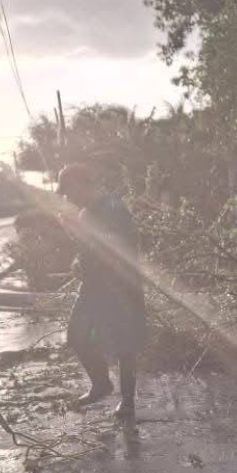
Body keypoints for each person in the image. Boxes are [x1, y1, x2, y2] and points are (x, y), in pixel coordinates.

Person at [59, 163, 147, 421]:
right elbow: (88, 249)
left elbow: (115, 245)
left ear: (82, 183)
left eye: (69, 190)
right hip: (93, 286)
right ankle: (101, 383)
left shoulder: (113, 208)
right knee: (76, 334)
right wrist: (78, 259)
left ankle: (128, 402)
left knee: (124, 344)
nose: (67, 197)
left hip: (119, 284)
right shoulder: (86, 213)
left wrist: (80, 233)